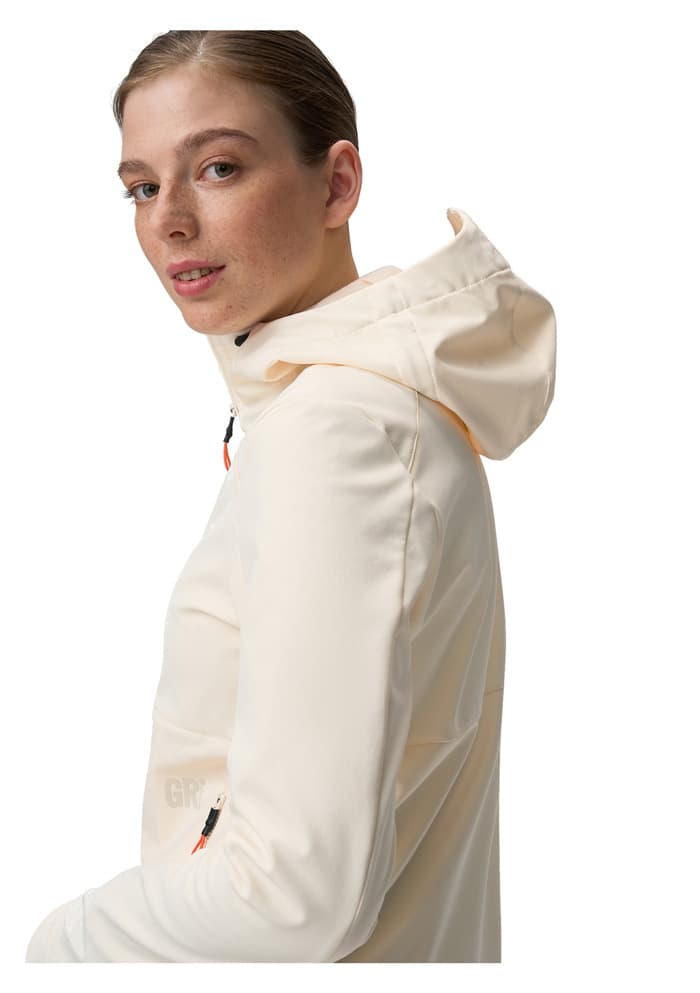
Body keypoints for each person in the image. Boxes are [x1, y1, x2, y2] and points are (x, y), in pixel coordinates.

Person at [24, 29, 556, 963]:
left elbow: (291, 894)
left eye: (218, 168)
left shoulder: (337, 433)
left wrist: (62, 944)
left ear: (337, 185)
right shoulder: (362, 411)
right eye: (142, 187)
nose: (169, 221)